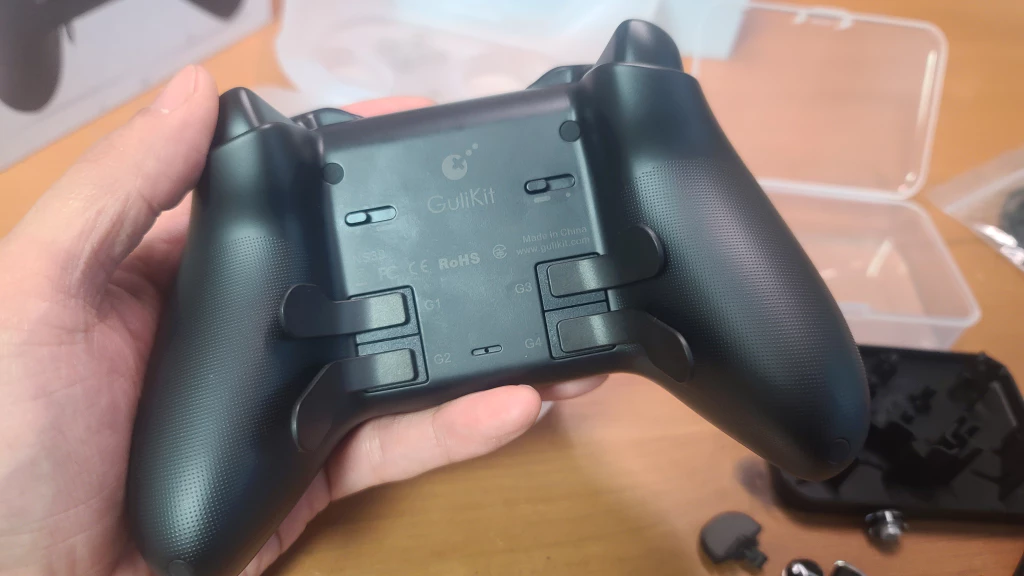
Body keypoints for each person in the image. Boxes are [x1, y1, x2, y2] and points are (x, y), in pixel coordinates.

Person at [0, 66, 604, 576]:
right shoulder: (282, 198)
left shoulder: (285, 182)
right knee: (189, 534)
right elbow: (188, 537)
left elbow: (186, 541)